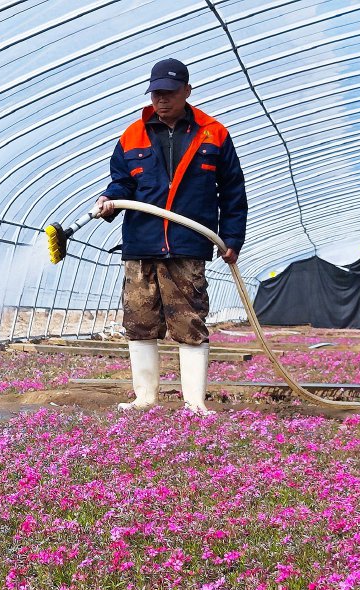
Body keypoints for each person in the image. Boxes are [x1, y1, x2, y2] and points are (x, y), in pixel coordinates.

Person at [96, 58, 247, 414]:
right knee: (140, 319)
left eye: (170, 93)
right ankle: (144, 398)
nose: (162, 100)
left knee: (189, 321)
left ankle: (194, 402)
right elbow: (122, 181)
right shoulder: (132, 135)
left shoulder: (214, 134)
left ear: (187, 92)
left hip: (187, 243)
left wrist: (232, 238)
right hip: (141, 242)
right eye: (156, 93)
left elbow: (232, 190)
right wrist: (110, 199)